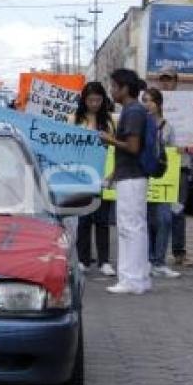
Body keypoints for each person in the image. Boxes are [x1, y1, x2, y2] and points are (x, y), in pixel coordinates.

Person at [100, 69, 151, 295]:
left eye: (113, 86)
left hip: (132, 178)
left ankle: (131, 280)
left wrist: (109, 139)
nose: (111, 91)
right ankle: (138, 278)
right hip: (130, 176)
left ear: (124, 88)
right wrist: (112, 175)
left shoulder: (132, 112)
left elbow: (132, 147)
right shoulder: (135, 111)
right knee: (135, 228)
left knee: (130, 229)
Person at [68, 82, 116, 276]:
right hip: (82, 176)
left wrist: (112, 174)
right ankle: (83, 260)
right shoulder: (73, 119)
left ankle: (104, 261)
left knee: (103, 220)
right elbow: (67, 146)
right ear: (84, 100)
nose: (94, 103)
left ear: (103, 100)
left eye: (98, 100)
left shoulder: (111, 121)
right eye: (90, 100)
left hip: (104, 175)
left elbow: (115, 149)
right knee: (84, 218)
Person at [141, 88, 182, 279]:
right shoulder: (140, 124)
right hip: (144, 177)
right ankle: (148, 261)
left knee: (165, 219)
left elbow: (173, 153)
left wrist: (178, 152)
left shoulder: (168, 127)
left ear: (158, 103)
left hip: (163, 181)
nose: (146, 104)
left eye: (149, 100)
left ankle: (160, 261)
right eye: (144, 101)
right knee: (147, 221)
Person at [155, 66, 193, 267]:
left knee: (178, 210)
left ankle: (179, 253)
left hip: (181, 164)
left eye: (169, 79)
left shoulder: (189, 107)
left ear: (176, 81)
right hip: (158, 165)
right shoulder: (151, 105)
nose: (165, 83)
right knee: (156, 210)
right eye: (162, 79)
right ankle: (154, 253)